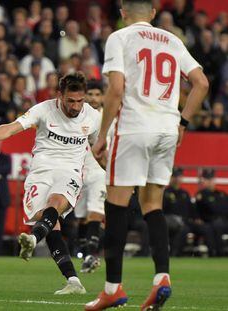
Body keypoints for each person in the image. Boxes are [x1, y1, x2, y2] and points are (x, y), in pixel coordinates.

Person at [85, 0, 209, 310]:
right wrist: (183, 122)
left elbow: (114, 90)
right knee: (152, 205)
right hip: (167, 130)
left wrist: (102, 136)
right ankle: (161, 278)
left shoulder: (120, 37)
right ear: (153, 14)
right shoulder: (172, 40)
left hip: (134, 128)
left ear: (123, 12)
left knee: (115, 205)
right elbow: (201, 83)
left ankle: (113, 289)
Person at [0, 72, 101, 295]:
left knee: (55, 203)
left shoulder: (92, 117)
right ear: (59, 96)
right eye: (70, 101)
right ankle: (73, 281)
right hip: (41, 171)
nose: (75, 107)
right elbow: (10, 128)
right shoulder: (43, 110)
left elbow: (99, 149)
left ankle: (33, 239)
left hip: (70, 171)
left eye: (80, 101)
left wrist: (114, 174)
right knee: (51, 225)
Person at [74, 81, 106, 273]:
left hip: (99, 171)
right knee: (81, 217)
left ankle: (91, 254)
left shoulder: (108, 117)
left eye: (97, 94)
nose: (94, 98)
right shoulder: (78, 116)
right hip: (78, 171)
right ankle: (84, 252)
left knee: (96, 211)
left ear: (102, 96)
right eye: (91, 94)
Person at [195, 168, 228, 257]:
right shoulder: (201, 194)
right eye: (207, 179)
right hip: (209, 222)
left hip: (223, 222)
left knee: (218, 225)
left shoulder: (222, 194)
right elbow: (206, 210)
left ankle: (220, 252)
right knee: (213, 227)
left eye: (211, 179)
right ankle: (216, 253)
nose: (210, 181)